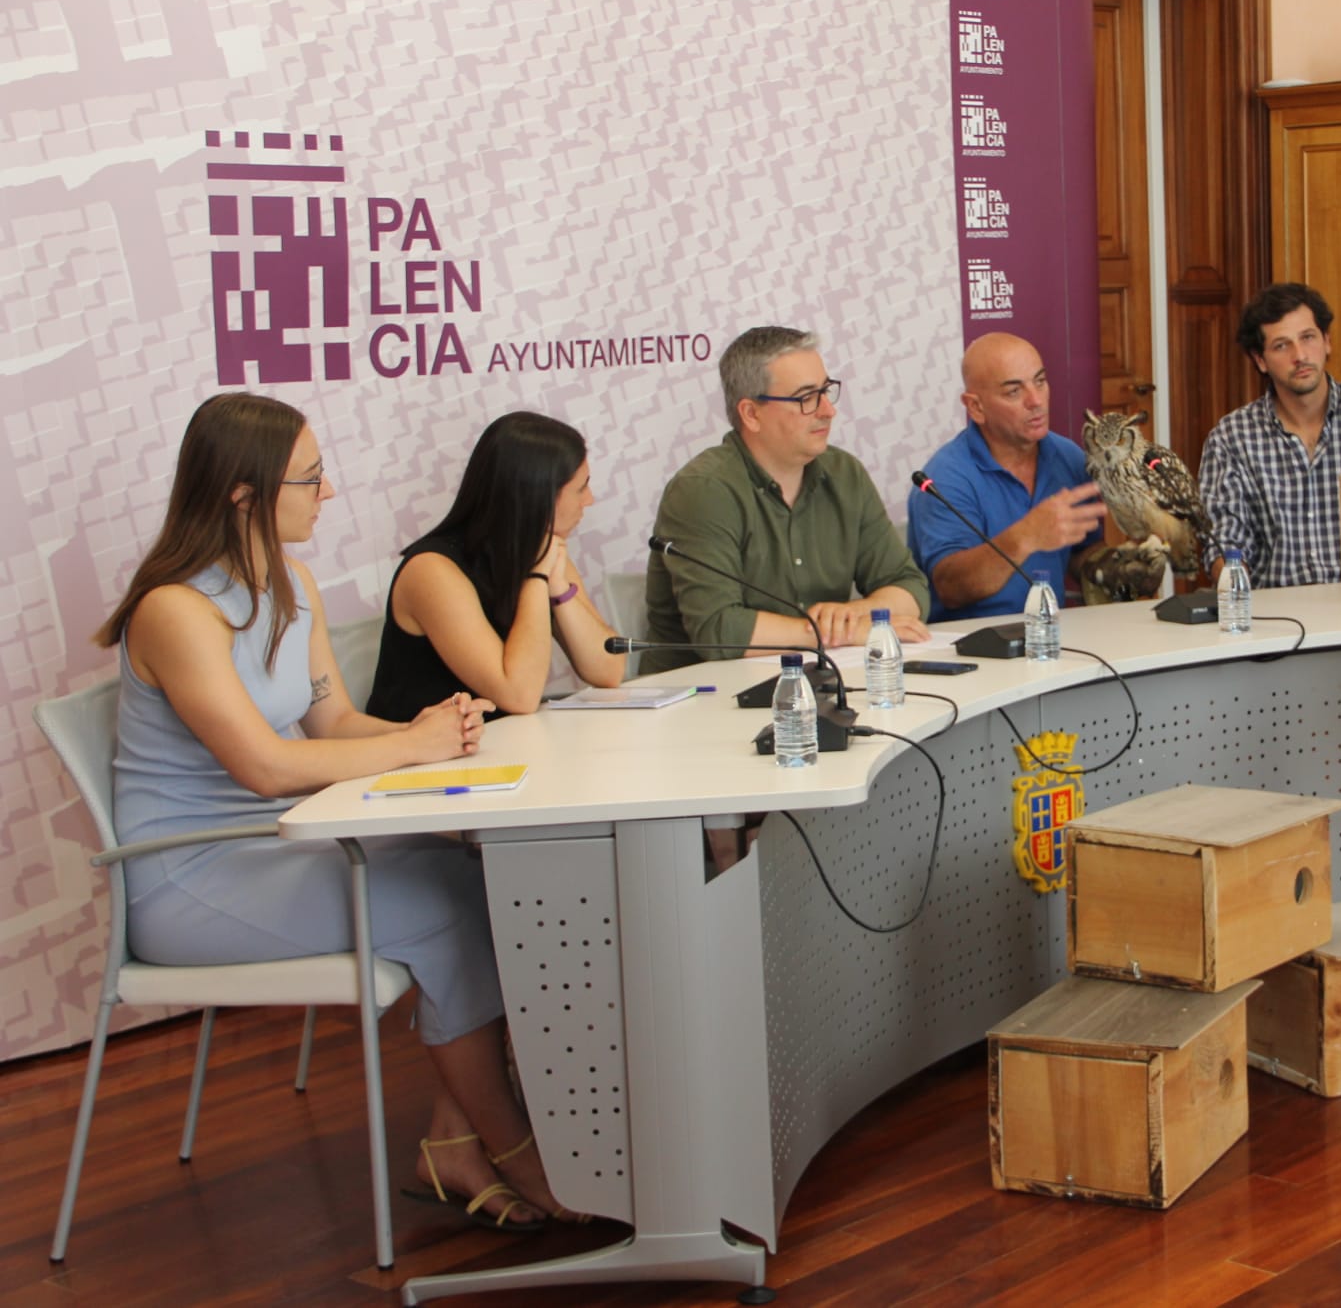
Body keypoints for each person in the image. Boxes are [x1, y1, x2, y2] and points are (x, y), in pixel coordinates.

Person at [95, 392, 573, 1230]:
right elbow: (267, 765)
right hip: (189, 874)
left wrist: (430, 731)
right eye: (310, 479)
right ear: (244, 494)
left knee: (473, 879)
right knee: (435, 907)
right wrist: (413, 747)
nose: (329, 493)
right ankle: (520, 1155)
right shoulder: (175, 609)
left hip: (271, 847)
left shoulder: (291, 582)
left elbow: (335, 724)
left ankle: (455, 1143)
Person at [644, 325, 932, 668]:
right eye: (806, 398)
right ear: (751, 414)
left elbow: (910, 589)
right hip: (708, 697)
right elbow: (718, 630)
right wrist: (830, 633)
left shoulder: (844, 474)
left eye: (826, 391)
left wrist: (850, 616)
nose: (828, 410)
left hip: (819, 684)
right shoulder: (703, 490)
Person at [366, 411, 623, 721]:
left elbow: (608, 670)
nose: (590, 500)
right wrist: (537, 577)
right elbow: (519, 695)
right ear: (538, 496)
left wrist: (558, 588)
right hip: (423, 761)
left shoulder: (542, 549)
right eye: (581, 488)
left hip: (496, 748)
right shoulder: (432, 571)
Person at [1199, 282, 1341, 587]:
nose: (1300, 355)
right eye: (1281, 345)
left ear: (1327, 341)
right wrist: (1236, 593)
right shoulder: (1231, 438)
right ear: (1260, 360)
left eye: (1307, 338)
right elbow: (1225, 541)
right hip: (1280, 617)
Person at [908, 332, 1105, 620]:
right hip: (969, 648)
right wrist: (1027, 535)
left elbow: (1081, 552)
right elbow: (951, 587)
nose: (1036, 400)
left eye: (1040, 381)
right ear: (976, 407)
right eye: (1014, 391)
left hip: (1050, 637)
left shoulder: (1069, 457)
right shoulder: (944, 478)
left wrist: (1112, 566)